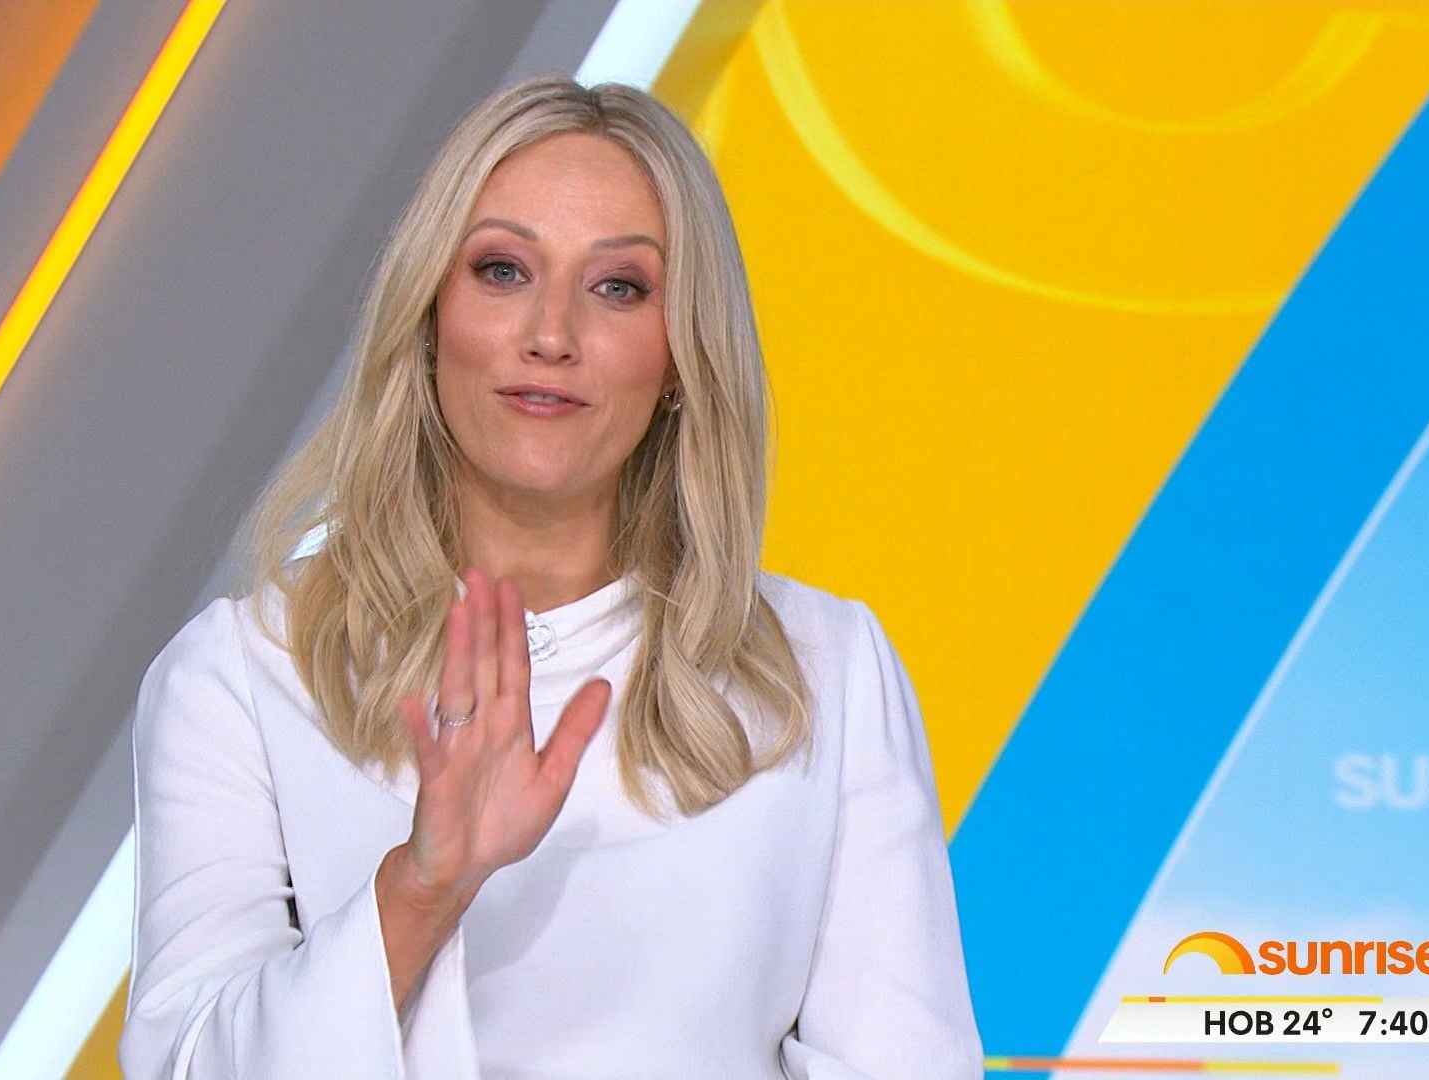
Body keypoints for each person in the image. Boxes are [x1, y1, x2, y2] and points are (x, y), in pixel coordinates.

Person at [118, 74, 983, 1079]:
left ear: (681, 357)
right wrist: (422, 890)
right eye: (502, 270)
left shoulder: (824, 672)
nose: (552, 335)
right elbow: (185, 1066)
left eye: (618, 287)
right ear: (428, 317)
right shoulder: (244, 672)